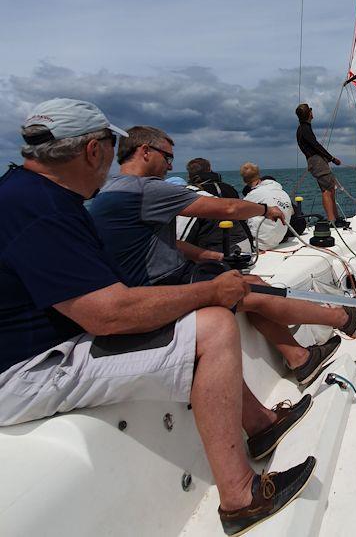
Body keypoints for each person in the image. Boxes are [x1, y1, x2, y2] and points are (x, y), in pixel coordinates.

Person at [0, 99, 314, 535]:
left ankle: (260, 424)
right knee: (214, 326)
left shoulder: (27, 194)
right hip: (26, 371)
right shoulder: (43, 209)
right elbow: (107, 315)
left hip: (46, 346)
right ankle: (241, 497)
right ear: (94, 150)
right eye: (111, 146)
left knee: (196, 317)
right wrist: (212, 289)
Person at [90, 126, 356, 385]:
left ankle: (300, 358)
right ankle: (343, 318)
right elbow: (226, 209)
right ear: (145, 151)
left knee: (248, 284)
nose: (170, 165)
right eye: (167, 157)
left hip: (146, 283)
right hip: (156, 290)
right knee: (253, 289)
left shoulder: (109, 190)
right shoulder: (144, 190)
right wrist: (265, 210)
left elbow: (163, 242)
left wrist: (204, 255)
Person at [295, 103, 346, 226]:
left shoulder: (303, 128)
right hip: (317, 161)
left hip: (315, 161)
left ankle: (335, 218)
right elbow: (315, 145)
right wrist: (332, 158)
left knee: (330, 189)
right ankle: (331, 220)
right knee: (327, 190)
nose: (312, 113)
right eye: (311, 111)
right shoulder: (305, 129)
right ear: (309, 114)